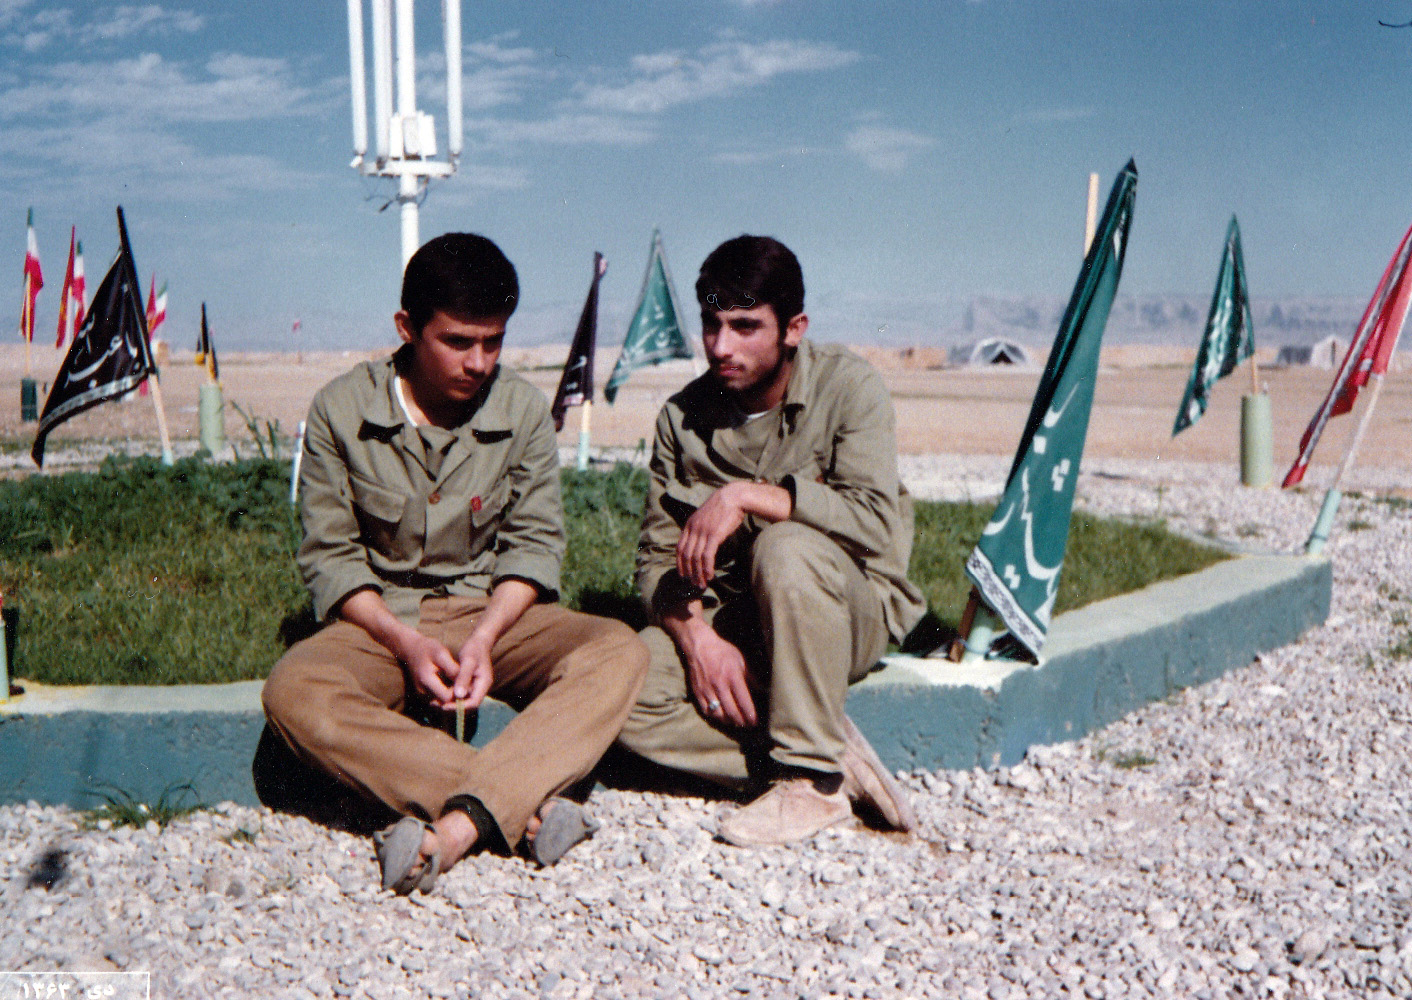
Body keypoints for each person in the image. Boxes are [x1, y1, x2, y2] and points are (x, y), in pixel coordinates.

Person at [262, 233, 649, 893]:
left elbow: (533, 545)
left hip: (492, 613)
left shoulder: (522, 409)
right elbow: (332, 558)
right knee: (294, 691)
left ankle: (458, 828)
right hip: (383, 624)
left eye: (493, 342)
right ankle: (523, 806)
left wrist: (486, 638)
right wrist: (404, 642)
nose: (478, 362)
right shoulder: (340, 410)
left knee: (618, 650)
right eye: (458, 342)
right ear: (407, 328)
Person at [619, 234, 928, 846]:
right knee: (622, 686)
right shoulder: (681, 418)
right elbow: (654, 562)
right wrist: (698, 641)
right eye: (711, 325)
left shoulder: (848, 388)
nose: (720, 347)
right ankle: (828, 758)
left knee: (784, 547)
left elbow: (875, 522)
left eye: (744, 327)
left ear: (793, 329)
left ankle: (810, 780)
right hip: (737, 621)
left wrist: (748, 496)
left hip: (841, 615)